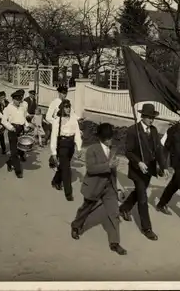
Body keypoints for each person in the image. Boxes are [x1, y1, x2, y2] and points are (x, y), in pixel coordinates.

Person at [70, 123, 126, 255]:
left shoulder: (113, 149)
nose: (110, 140)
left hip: (109, 188)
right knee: (86, 209)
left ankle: (115, 242)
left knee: (114, 214)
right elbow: (91, 169)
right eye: (108, 138)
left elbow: (114, 172)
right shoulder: (92, 150)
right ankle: (76, 226)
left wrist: (118, 188)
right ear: (102, 138)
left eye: (111, 137)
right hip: (94, 186)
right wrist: (108, 165)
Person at [118, 103, 169, 241]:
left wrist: (163, 166)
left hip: (149, 170)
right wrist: (138, 162)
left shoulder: (153, 130)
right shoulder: (133, 130)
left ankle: (124, 208)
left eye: (153, 117)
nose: (151, 120)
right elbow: (128, 151)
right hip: (137, 170)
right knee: (143, 198)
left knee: (139, 192)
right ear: (143, 116)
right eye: (149, 117)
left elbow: (158, 150)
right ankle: (147, 228)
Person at [49, 99, 82, 201]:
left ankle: (55, 181)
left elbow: (77, 133)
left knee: (63, 166)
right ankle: (68, 193)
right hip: (62, 144)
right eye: (66, 107)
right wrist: (54, 152)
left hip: (71, 144)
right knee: (67, 169)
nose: (68, 109)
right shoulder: (57, 120)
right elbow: (53, 136)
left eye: (69, 107)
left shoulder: (73, 118)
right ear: (62, 108)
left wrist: (79, 147)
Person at [1, 91, 31, 179]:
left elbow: (24, 118)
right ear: (13, 99)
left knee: (19, 149)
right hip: (12, 130)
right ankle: (18, 171)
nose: (19, 102)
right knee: (14, 151)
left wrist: (26, 125)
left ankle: (10, 162)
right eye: (17, 100)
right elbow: (3, 121)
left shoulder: (22, 107)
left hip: (21, 129)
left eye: (20, 100)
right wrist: (10, 127)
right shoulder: (8, 108)